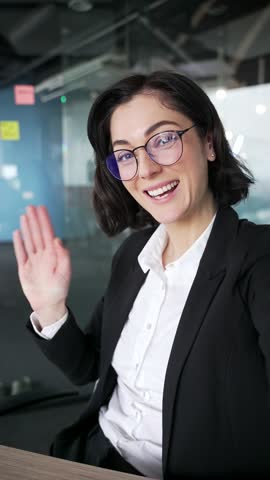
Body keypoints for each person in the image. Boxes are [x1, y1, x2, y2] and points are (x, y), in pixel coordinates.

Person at [13, 71, 270, 479]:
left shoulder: (257, 258)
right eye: (126, 154)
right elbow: (90, 368)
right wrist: (50, 309)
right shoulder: (134, 253)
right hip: (93, 453)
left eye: (164, 139)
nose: (145, 169)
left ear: (208, 142)